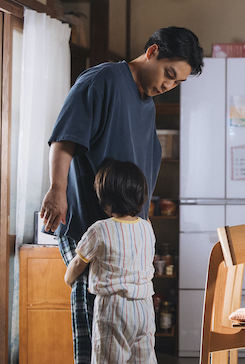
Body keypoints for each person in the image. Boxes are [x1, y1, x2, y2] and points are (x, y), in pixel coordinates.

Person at [40, 26, 203, 364]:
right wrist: (57, 190)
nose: (167, 86)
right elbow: (64, 139)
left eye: (176, 83)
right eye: (168, 74)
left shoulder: (147, 104)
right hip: (89, 224)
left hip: (128, 234)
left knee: (132, 336)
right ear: (153, 52)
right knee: (96, 329)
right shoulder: (102, 81)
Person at [65, 159, 157, 364]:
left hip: (113, 307)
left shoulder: (100, 229)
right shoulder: (147, 227)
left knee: (109, 358)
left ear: (105, 202)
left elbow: (79, 262)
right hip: (144, 306)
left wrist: (69, 279)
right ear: (141, 198)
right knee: (144, 358)